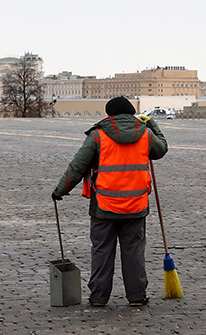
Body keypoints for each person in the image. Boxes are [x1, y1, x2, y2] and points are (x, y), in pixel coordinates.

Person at [52, 96, 168, 307]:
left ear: (109, 114)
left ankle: (99, 297)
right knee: (134, 252)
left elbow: (77, 166)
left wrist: (60, 190)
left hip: (104, 206)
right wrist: (152, 124)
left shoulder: (98, 135)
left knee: (102, 251)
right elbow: (161, 149)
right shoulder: (145, 134)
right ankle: (137, 296)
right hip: (136, 205)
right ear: (132, 113)